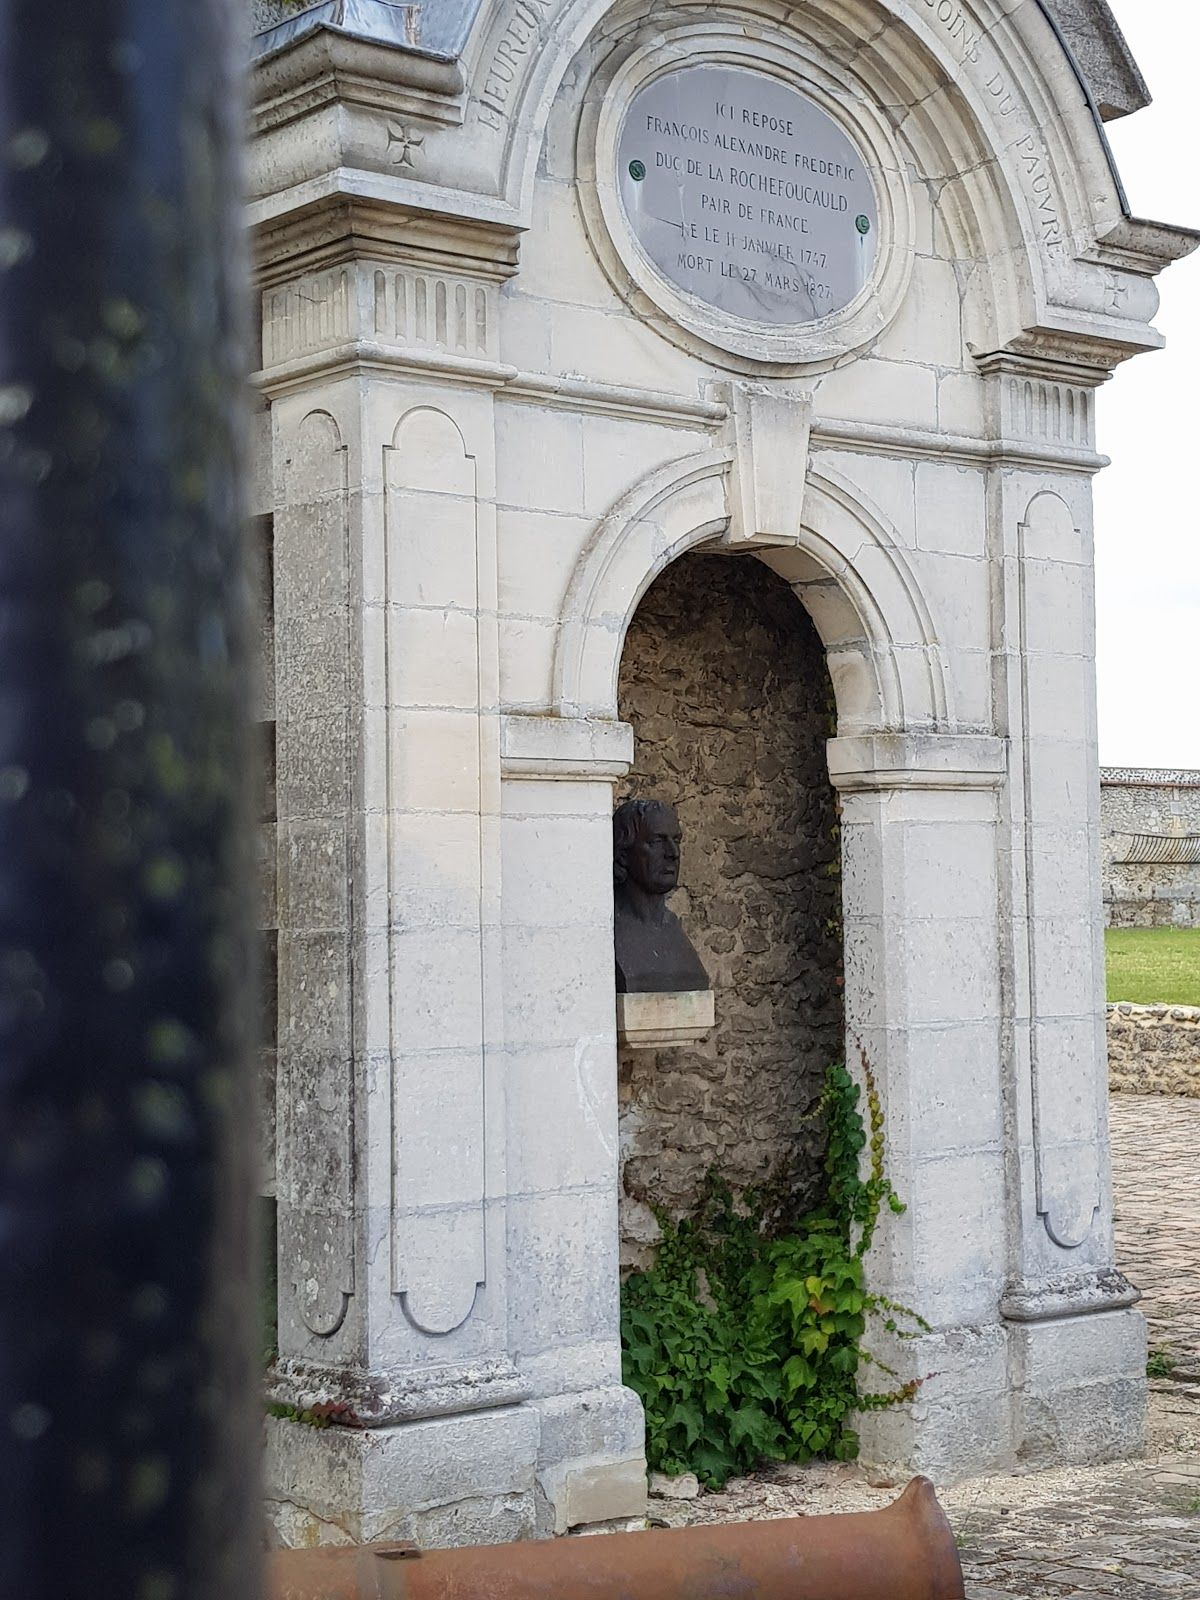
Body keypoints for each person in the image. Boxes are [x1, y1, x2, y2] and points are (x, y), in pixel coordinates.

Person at [612, 798, 710, 994]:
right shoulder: (608, 931)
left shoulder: (674, 931)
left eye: (676, 840)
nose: (673, 853)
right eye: (657, 841)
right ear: (623, 854)